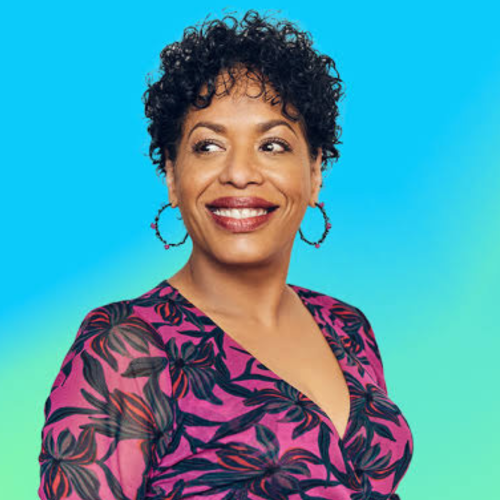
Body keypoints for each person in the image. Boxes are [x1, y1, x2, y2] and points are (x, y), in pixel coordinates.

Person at [38, 9, 413, 500]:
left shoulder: (347, 326)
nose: (239, 173)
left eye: (273, 145)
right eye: (209, 146)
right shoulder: (125, 348)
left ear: (314, 172)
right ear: (172, 176)